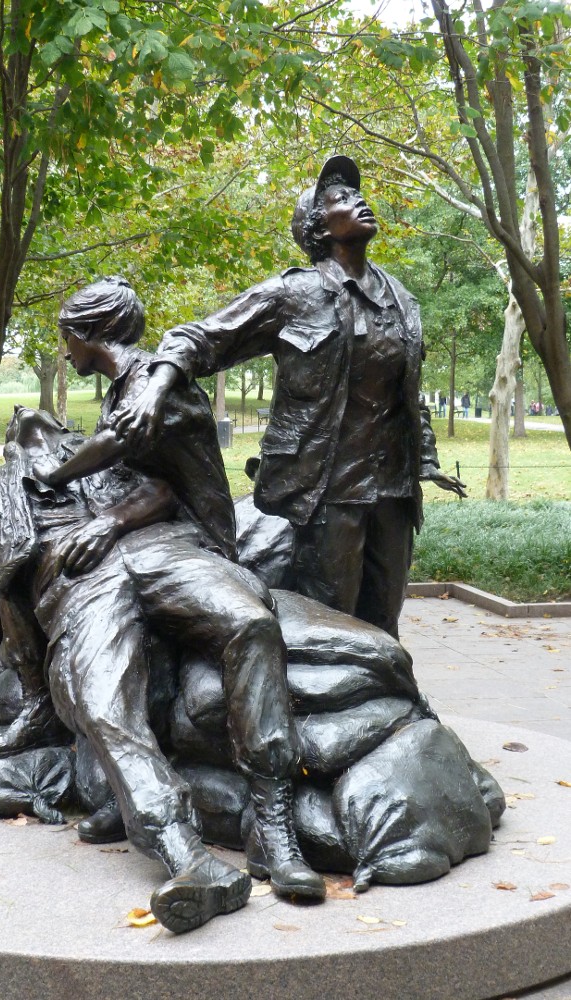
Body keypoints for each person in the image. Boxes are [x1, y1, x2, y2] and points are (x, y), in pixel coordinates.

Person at [37, 279, 324, 907]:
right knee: (103, 692)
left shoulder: (153, 384)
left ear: (88, 334)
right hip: (121, 558)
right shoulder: (122, 389)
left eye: (67, 337)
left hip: (187, 545)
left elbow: (123, 447)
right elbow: (144, 480)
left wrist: (51, 473)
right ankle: (173, 840)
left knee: (250, 624)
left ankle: (272, 828)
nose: (64, 352)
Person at [109, 155, 465, 639]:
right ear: (318, 226)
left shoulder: (400, 299)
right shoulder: (292, 294)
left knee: (384, 620)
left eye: (356, 193)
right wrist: (155, 388)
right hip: (327, 488)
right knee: (331, 622)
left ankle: (397, 711)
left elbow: (408, 388)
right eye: (341, 198)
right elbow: (198, 338)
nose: (358, 200)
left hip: (394, 490)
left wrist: (426, 458)